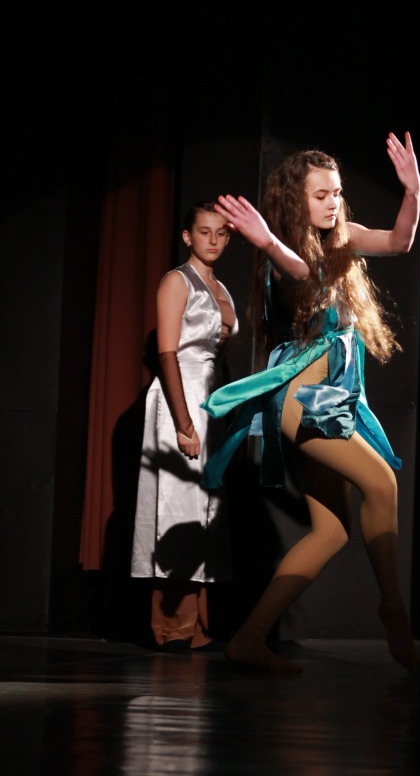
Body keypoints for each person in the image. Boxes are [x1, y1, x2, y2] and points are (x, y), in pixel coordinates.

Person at [200, 132, 420, 673]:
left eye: (337, 193)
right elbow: (299, 273)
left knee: (331, 531)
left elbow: (399, 242)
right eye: (321, 195)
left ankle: (249, 637)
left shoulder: (343, 239)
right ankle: (392, 606)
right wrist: (267, 241)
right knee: (382, 484)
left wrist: (413, 191)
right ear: (297, 201)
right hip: (302, 401)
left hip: (332, 399)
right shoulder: (283, 253)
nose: (333, 202)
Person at [131, 200, 239, 653]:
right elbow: (167, 353)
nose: (213, 240)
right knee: (178, 506)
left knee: (207, 510)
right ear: (187, 236)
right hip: (181, 397)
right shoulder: (177, 281)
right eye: (204, 231)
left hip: (211, 401)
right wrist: (182, 422)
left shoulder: (222, 288)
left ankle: (198, 627)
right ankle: (172, 625)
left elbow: (219, 357)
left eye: (221, 232)